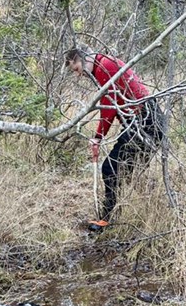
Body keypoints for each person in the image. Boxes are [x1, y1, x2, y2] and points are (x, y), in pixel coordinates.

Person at [64, 45, 165, 231]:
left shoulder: (104, 66)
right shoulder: (106, 63)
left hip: (146, 121)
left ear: (85, 59)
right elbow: (114, 104)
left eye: (77, 69)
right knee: (127, 172)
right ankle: (143, 213)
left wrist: (97, 138)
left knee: (110, 168)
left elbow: (108, 107)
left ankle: (107, 219)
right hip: (148, 119)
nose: (78, 75)